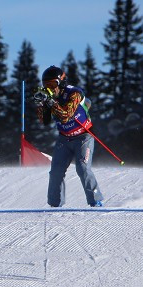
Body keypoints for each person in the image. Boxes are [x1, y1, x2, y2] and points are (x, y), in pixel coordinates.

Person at [34, 65, 105, 208]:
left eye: (53, 84)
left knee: (83, 168)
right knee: (56, 171)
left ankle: (95, 201)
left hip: (83, 136)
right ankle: (55, 204)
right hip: (64, 138)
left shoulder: (74, 93)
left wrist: (51, 103)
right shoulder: (49, 97)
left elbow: (66, 116)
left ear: (61, 82)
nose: (49, 88)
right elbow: (44, 121)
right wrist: (41, 105)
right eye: (46, 85)